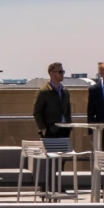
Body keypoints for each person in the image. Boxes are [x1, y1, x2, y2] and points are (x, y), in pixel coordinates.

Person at [32, 62, 74, 192]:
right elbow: (36, 112)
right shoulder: (44, 92)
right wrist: (43, 128)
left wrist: (69, 125)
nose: (62, 74)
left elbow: (68, 110)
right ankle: (48, 186)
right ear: (51, 73)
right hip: (51, 130)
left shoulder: (65, 91)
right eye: (59, 72)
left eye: (63, 72)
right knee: (50, 160)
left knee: (61, 160)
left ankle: (58, 185)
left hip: (64, 130)